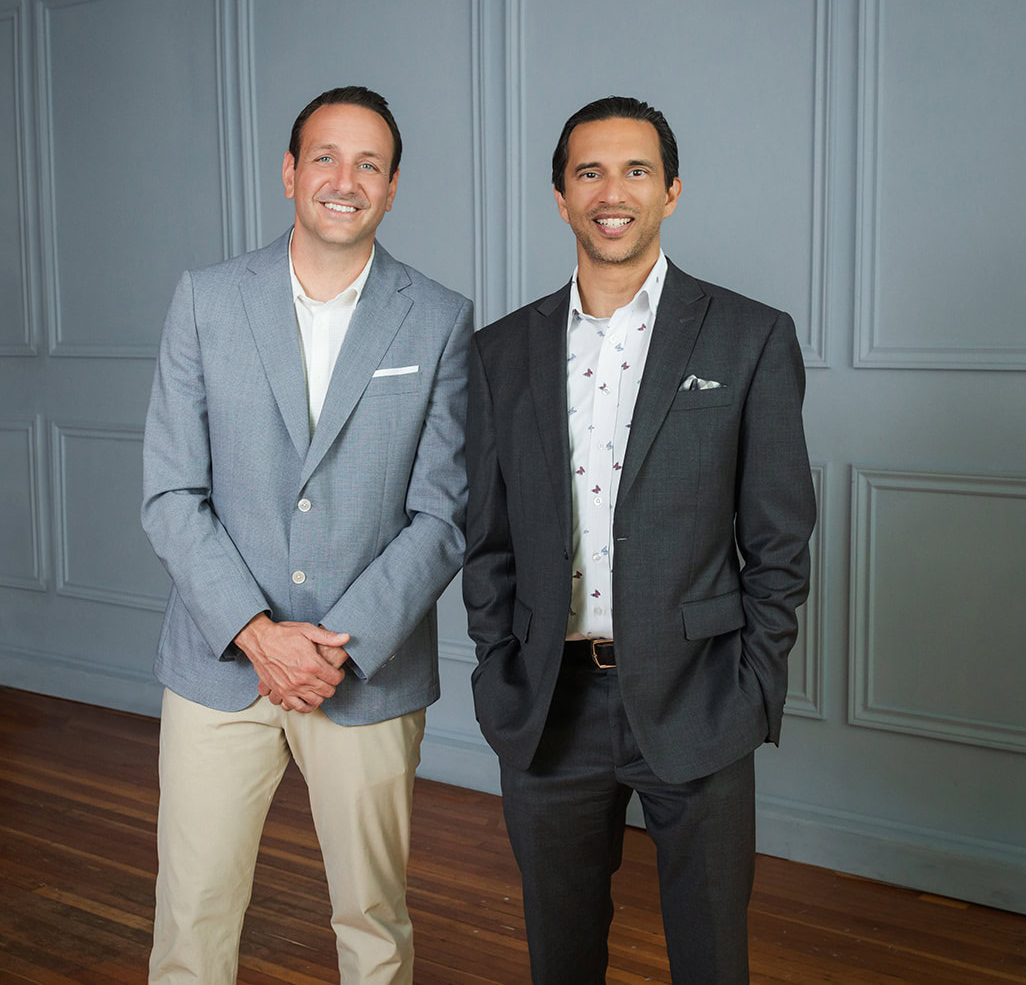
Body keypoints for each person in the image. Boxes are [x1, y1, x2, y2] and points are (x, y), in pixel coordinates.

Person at [462, 95, 815, 983]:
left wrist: (755, 685)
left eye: (635, 170)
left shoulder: (749, 335)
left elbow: (779, 537)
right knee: (562, 958)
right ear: (560, 196)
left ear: (671, 190)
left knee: (709, 961)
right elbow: (487, 536)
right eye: (589, 171)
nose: (611, 191)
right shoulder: (501, 351)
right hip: (549, 705)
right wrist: (498, 658)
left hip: (702, 698)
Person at [140, 85, 472, 984]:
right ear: (290, 172)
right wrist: (259, 635)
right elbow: (171, 492)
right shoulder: (206, 300)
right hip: (219, 664)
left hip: (364, 670)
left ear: (394, 187)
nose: (344, 179)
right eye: (325, 156)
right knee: (193, 912)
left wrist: (330, 648)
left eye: (370, 164)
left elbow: (442, 516)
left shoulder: (439, 318)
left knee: (372, 920)